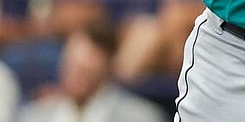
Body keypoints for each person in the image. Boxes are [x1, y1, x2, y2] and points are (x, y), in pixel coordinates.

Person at [16, 22, 169, 122]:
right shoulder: (34, 116)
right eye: (71, 67)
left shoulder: (142, 117)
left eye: (85, 71)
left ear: (107, 67)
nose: (75, 79)